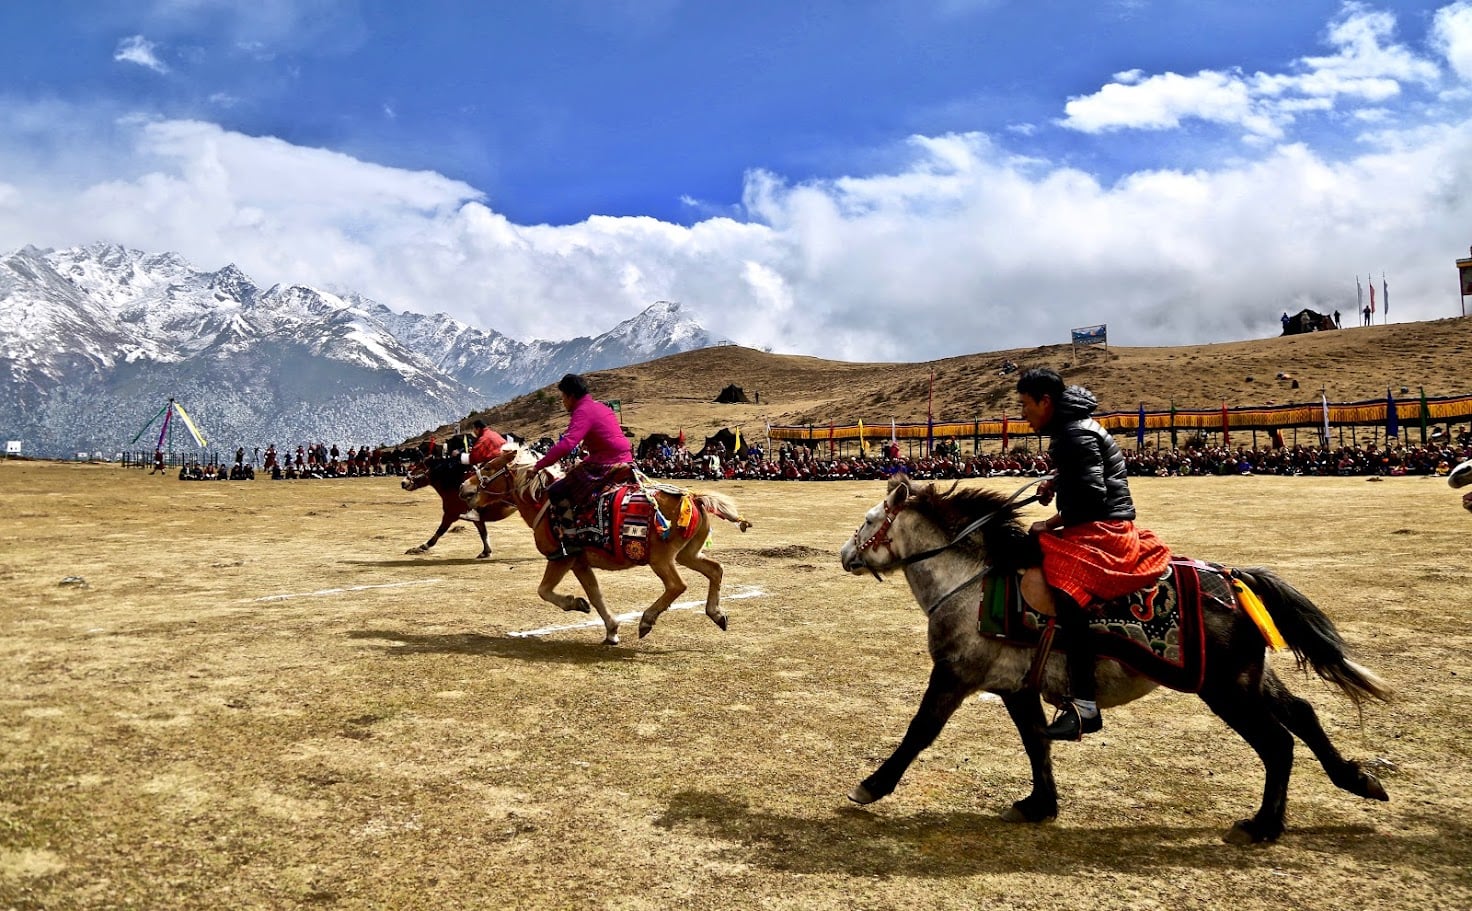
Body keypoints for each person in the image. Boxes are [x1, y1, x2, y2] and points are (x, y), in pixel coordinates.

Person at [1016, 367, 1172, 740]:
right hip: (1098, 524)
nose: (1022, 413)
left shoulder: (1072, 434)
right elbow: (1085, 475)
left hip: (1103, 531)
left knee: (1068, 592)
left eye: (1024, 405)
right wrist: (1056, 481)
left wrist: (1048, 524)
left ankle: (1085, 705)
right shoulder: (1076, 428)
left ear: (1046, 401)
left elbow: (1092, 497)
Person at [533, 374, 634, 560]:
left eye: (563, 397)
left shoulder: (583, 411)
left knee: (557, 490)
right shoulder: (600, 407)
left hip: (605, 462)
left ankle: (570, 541)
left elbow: (567, 443)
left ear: (571, 396)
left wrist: (539, 465)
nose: (563, 402)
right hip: (624, 458)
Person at [457, 419, 508, 522]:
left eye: (474, 430)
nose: (474, 432)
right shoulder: (493, 434)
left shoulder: (483, 439)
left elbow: (473, 458)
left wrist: (459, 456)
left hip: (496, 466)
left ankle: (475, 511)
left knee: (480, 482)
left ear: (478, 428)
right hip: (506, 463)